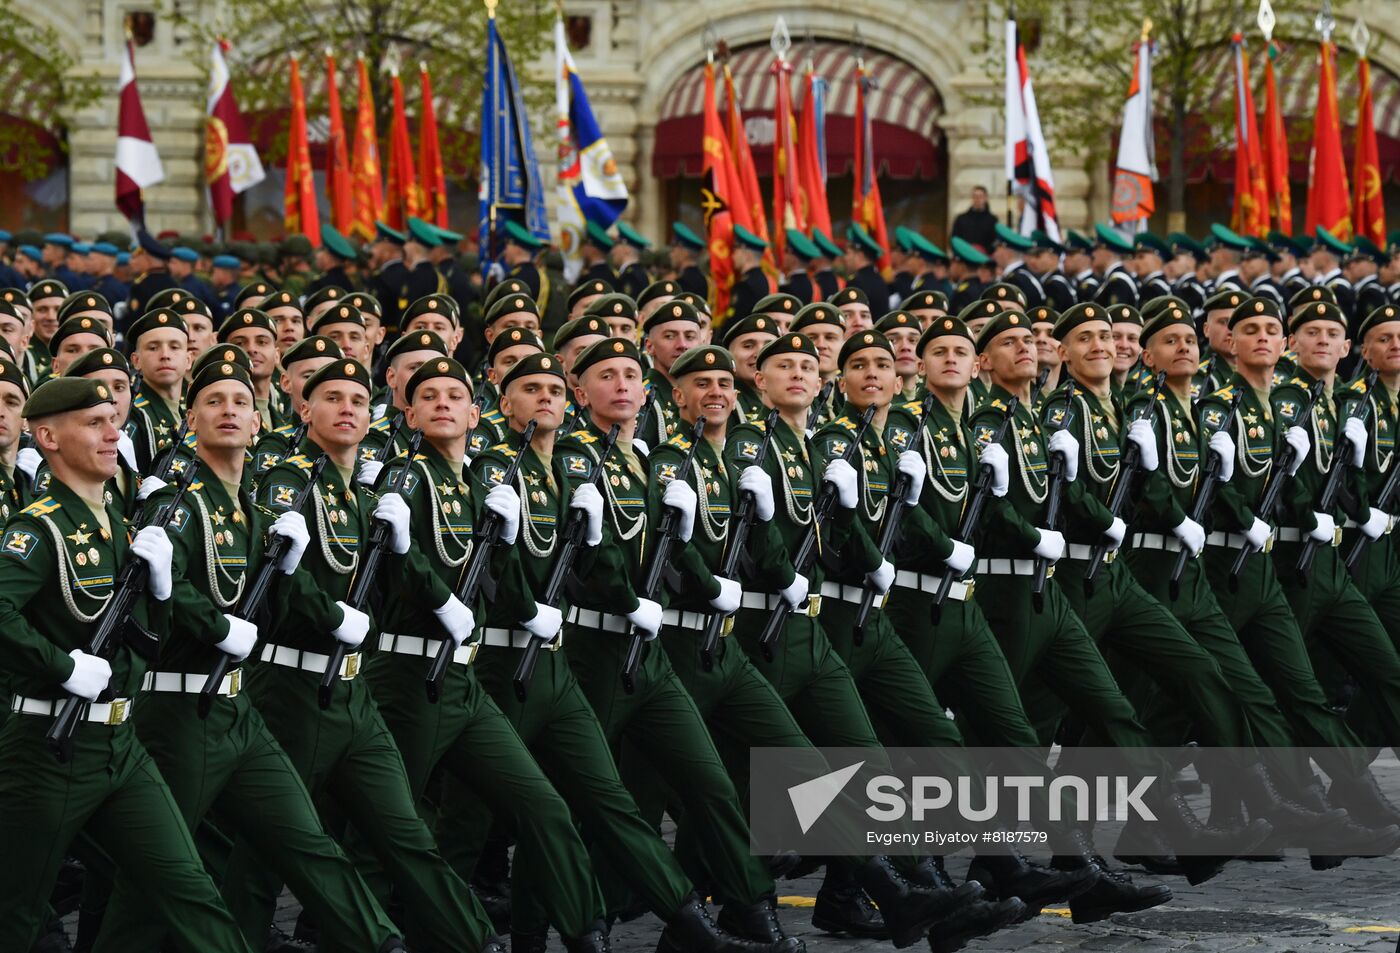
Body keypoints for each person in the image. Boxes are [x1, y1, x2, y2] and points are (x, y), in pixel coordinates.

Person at [0, 376, 257, 953]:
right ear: (47, 437)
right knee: (14, 913)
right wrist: (60, 666)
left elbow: (147, 642)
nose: (113, 430)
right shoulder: (39, 528)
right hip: (48, 746)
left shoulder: (119, 523)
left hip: (122, 742)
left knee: (188, 887)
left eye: (113, 419)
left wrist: (163, 589)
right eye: (93, 423)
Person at [950, 185, 998, 252]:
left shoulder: (993, 220)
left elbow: (996, 241)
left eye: (980, 196)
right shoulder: (961, 219)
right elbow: (954, 240)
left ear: (986, 198)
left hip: (985, 258)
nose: (977, 199)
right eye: (975, 196)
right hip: (965, 256)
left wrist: (985, 251)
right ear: (972, 198)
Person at [671, 222, 710, 299]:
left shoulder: (683, 283)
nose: (671, 254)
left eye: (673, 248)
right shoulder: (704, 280)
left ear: (683, 252)